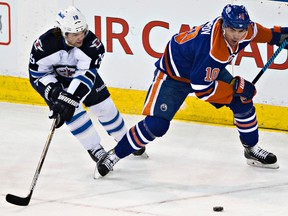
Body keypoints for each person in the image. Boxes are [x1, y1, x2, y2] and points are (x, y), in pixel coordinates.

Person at [97, 4, 287, 176]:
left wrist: (280, 35)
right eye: (232, 30)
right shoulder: (214, 50)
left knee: (242, 102)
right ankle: (115, 154)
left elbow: (263, 33)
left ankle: (251, 149)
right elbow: (203, 89)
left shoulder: (246, 30)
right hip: (174, 75)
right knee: (157, 125)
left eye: (241, 30)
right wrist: (236, 87)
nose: (237, 35)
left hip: (202, 69)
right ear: (223, 25)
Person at [28, 6, 145, 166]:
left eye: (83, 31)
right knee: (72, 114)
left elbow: (85, 75)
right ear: (63, 32)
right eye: (75, 34)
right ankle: (95, 149)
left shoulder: (93, 45)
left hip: (83, 79)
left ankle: (126, 141)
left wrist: (71, 98)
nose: (80, 37)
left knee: (105, 108)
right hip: (57, 81)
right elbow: (37, 76)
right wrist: (56, 93)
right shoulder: (44, 46)